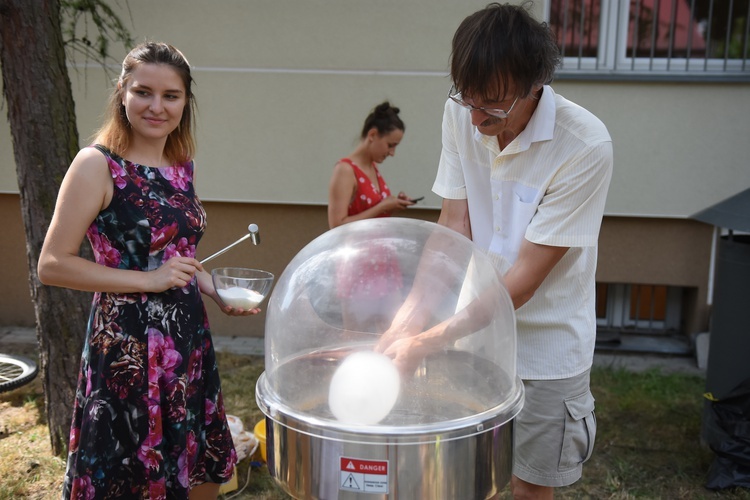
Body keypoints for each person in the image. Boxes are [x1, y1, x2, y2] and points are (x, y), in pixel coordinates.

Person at [376, 3, 613, 499]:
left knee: (530, 485)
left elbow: (524, 279)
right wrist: (408, 320)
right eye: (468, 98)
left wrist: (427, 341)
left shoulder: (584, 145)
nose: (478, 116)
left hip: (547, 349)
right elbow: (452, 228)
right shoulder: (461, 113)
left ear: (535, 85)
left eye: (494, 104)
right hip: (472, 336)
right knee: (460, 474)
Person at [37, 42, 255, 500]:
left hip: (187, 342)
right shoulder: (96, 165)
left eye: (171, 96)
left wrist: (213, 288)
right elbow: (52, 265)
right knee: (132, 478)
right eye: (144, 92)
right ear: (122, 92)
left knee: (198, 475)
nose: (157, 106)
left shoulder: (179, 168)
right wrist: (148, 282)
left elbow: (173, 254)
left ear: (185, 102)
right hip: (127, 349)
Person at [327, 101, 416, 229]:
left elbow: (371, 216)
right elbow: (337, 225)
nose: (392, 153)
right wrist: (383, 206)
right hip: (357, 247)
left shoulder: (371, 167)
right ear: (372, 135)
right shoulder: (345, 170)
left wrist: (393, 204)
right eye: (390, 145)